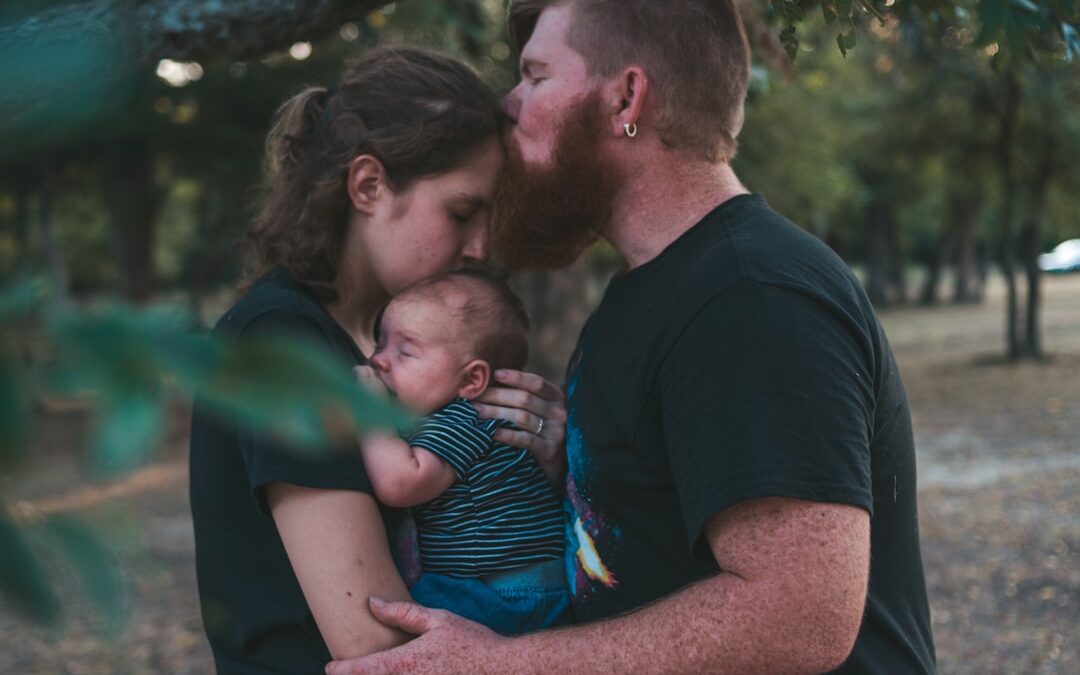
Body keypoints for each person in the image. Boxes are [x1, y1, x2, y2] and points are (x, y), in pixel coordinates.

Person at [328, 2, 937, 674]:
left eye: (535, 76)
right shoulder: (648, 291)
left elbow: (801, 616)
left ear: (626, 96)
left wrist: (504, 663)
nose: (509, 102)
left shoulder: (749, 294)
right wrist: (578, 469)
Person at [188, 46, 568, 674]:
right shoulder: (283, 343)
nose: (480, 247)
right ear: (368, 186)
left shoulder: (379, 350)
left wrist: (540, 460)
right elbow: (377, 642)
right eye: (461, 212)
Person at [354, 269, 569, 636]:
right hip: (522, 587)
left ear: (472, 380)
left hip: (501, 592)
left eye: (405, 352)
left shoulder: (468, 415)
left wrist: (367, 412)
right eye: (380, 343)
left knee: (404, 623)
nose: (378, 360)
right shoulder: (464, 414)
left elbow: (400, 483)